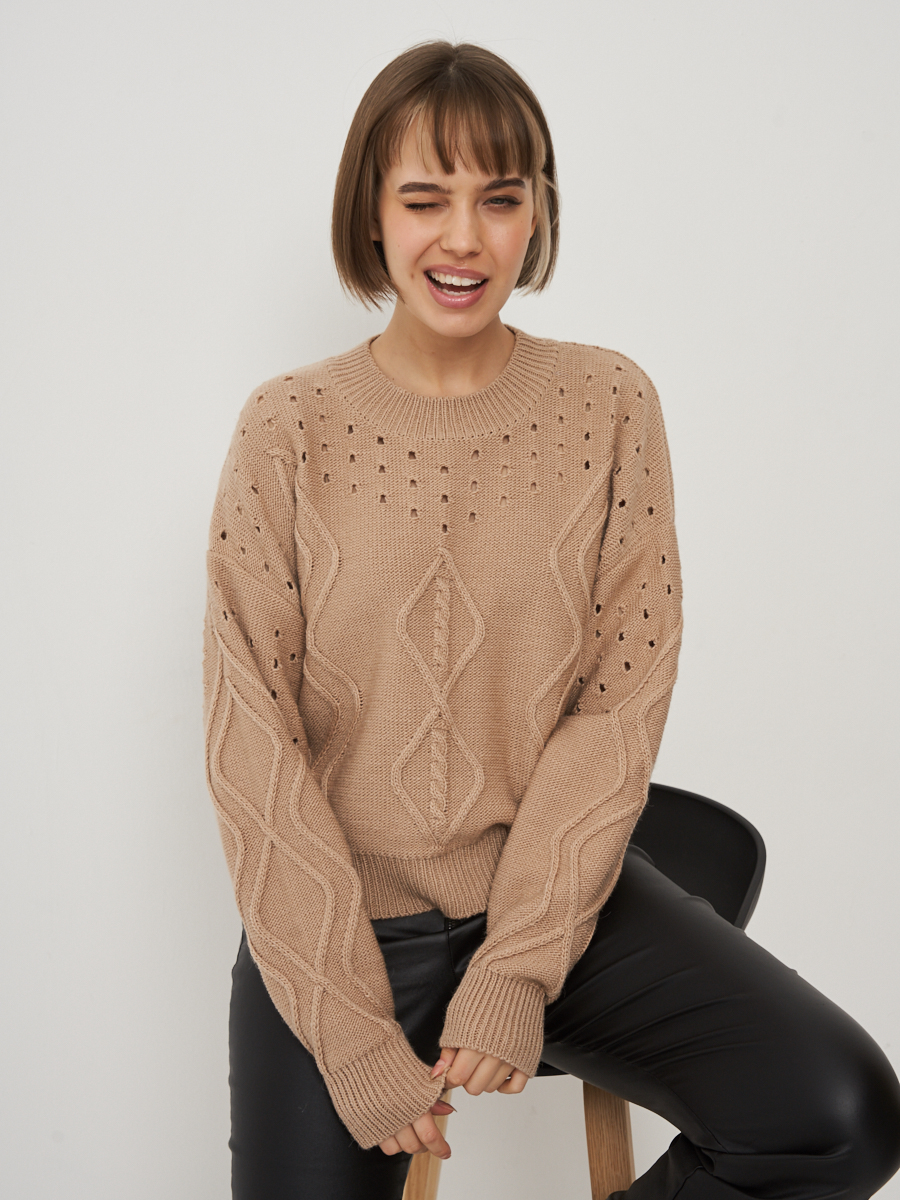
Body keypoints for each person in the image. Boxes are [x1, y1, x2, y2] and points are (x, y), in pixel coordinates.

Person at [201, 39, 900, 1200]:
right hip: (339, 931)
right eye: (423, 199)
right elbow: (251, 743)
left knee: (837, 1116)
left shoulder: (609, 404)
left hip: (559, 903)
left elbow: (620, 702)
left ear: (539, 212)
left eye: (499, 198)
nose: (463, 238)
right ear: (370, 213)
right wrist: (351, 1032)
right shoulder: (289, 426)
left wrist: (519, 965)